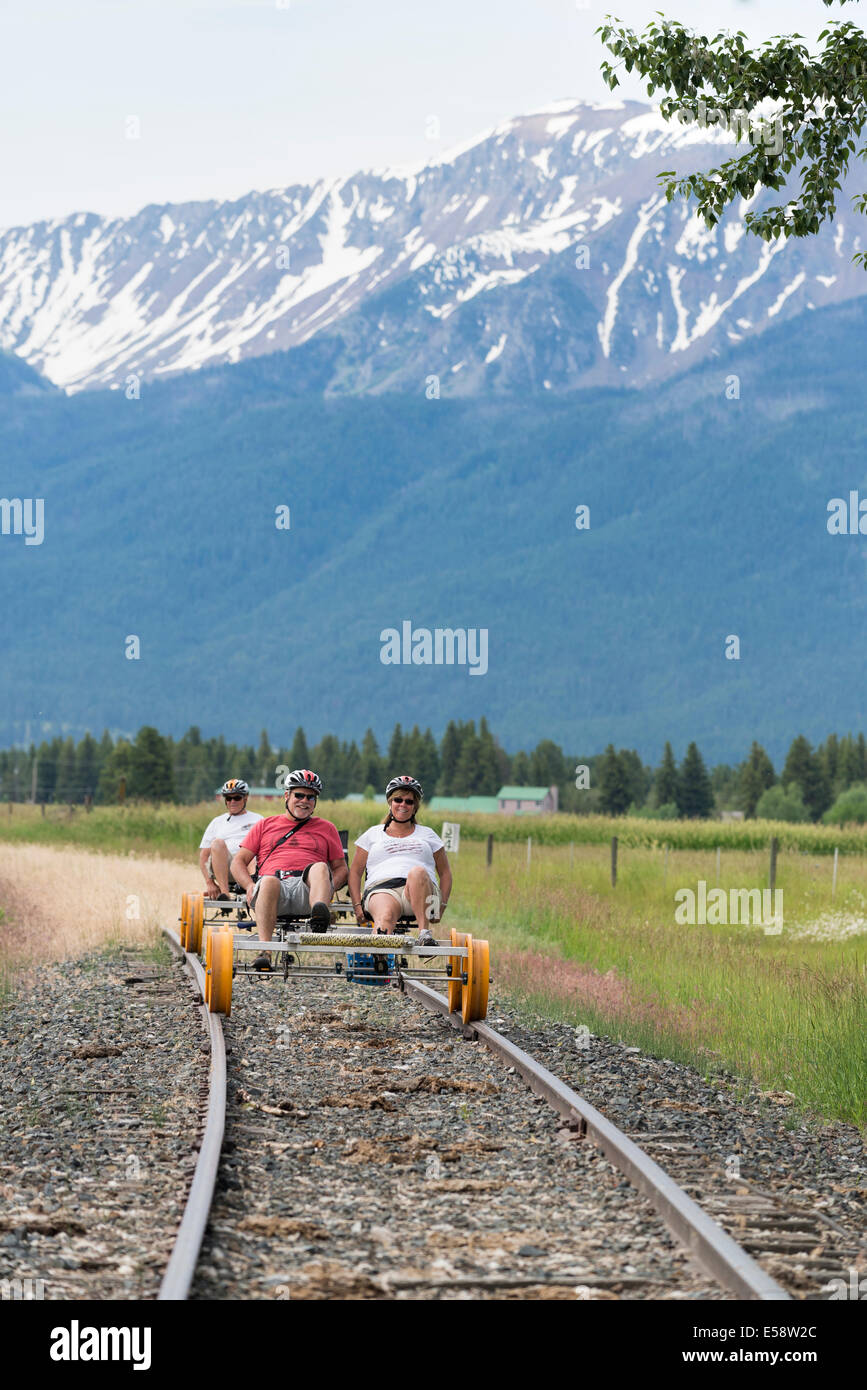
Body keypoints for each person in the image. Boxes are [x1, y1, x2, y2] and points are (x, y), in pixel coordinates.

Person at [230, 768, 347, 970]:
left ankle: (319, 916)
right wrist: (249, 886)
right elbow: (238, 862)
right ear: (287, 796)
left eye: (310, 797)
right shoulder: (265, 825)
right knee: (268, 880)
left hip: (308, 892)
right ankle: (265, 951)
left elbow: (341, 868)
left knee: (320, 867)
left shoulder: (327, 828)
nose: (304, 801)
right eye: (299, 795)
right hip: (273, 890)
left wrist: (329, 888)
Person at [348, 775, 452, 944]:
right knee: (385, 917)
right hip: (383, 889)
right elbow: (354, 873)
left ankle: (424, 933)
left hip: (421, 891)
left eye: (409, 802)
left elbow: (445, 873)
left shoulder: (428, 834)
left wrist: (442, 907)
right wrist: (357, 907)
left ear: (415, 807)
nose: (403, 804)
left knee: (417, 872)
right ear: (390, 803)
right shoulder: (373, 834)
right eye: (398, 800)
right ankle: (380, 955)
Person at [199, 779, 262, 899]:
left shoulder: (258, 819)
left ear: (245, 798)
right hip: (225, 868)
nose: (232, 802)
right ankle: (225, 894)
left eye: (237, 798)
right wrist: (210, 883)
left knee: (252, 851)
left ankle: (252, 889)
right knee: (217, 843)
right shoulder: (217, 822)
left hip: (249, 866)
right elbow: (204, 856)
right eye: (228, 798)